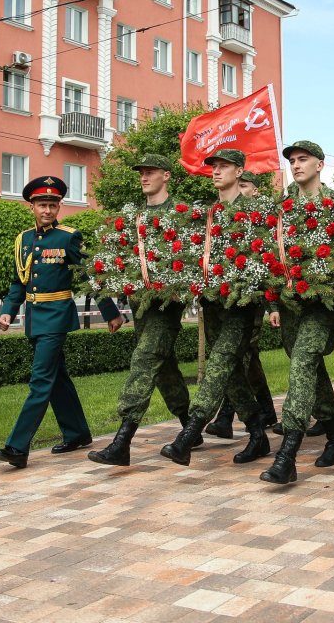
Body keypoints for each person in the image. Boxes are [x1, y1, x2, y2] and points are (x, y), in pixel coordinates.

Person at [0, 176, 124, 469]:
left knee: (40, 382)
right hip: (34, 319)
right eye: (42, 205)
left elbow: (89, 274)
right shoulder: (24, 239)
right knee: (56, 379)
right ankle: (77, 433)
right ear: (32, 207)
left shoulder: (69, 237)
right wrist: (8, 311)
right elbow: (19, 281)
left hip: (57, 317)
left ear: (59, 206)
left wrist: (109, 311)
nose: (47, 210)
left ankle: (17, 447)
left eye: (52, 205)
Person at [161, 149, 269, 467]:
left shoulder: (254, 213)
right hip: (212, 305)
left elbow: (263, 258)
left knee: (220, 364)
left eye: (223, 167)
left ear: (239, 171)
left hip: (240, 306)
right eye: (214, 167)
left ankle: (188, 436)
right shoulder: (207, 214)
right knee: (233, 373)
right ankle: (258, 435)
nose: (216, 171)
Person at [89, 155, 198, 467]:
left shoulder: (180, 212)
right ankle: (189, 425)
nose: (144, 177)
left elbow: (192, 255)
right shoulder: (133, 215)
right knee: (163, 368)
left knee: (144, 359)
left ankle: (122, 441)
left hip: (166, 306)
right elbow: (120, 255)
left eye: (150, 172)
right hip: (139, 306)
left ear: (166, 175)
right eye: (141, 172)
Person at [259, 141, 334, 484]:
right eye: (293, 161)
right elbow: (268, 254)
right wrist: (271, 302)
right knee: (308, 366)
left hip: (322, 303)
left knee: (302, 362)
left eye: (303, 160)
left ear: (320, 165)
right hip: (289, 302)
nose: (296, 165)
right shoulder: (280, 206)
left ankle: (288, 455)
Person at [205, 167, 280, 439]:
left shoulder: (256, 216)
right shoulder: (218, 212)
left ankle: (226, 417)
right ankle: (267, 411)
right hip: (222, 300)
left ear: (255, 189)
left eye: (247, 186)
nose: (243, 190)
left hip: (250, 300)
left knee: (241, 356)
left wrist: (272, 307)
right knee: (248, 359)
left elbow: (268, 266)